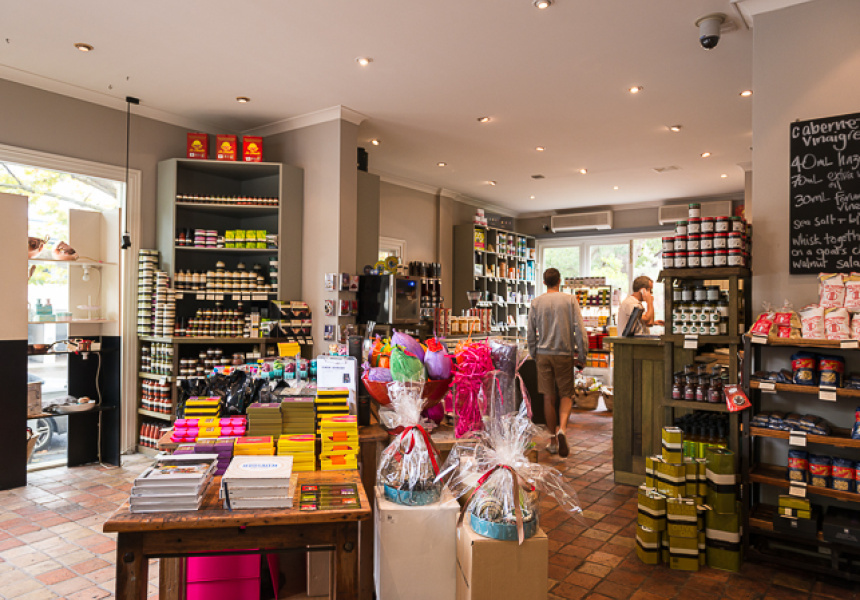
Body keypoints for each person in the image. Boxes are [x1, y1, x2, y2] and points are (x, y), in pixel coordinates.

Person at [527, 268, 587, 458]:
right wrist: (582, 355)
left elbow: (530, 332)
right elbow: (580, 330)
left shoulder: (536, 302)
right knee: (566, 394)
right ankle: (562, 430)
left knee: (548, 397)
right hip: (564, 353)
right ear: (559, 281)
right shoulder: (570, 300)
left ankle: (553, 441)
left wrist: (534, 353)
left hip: (543, 354)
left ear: (544, 282)